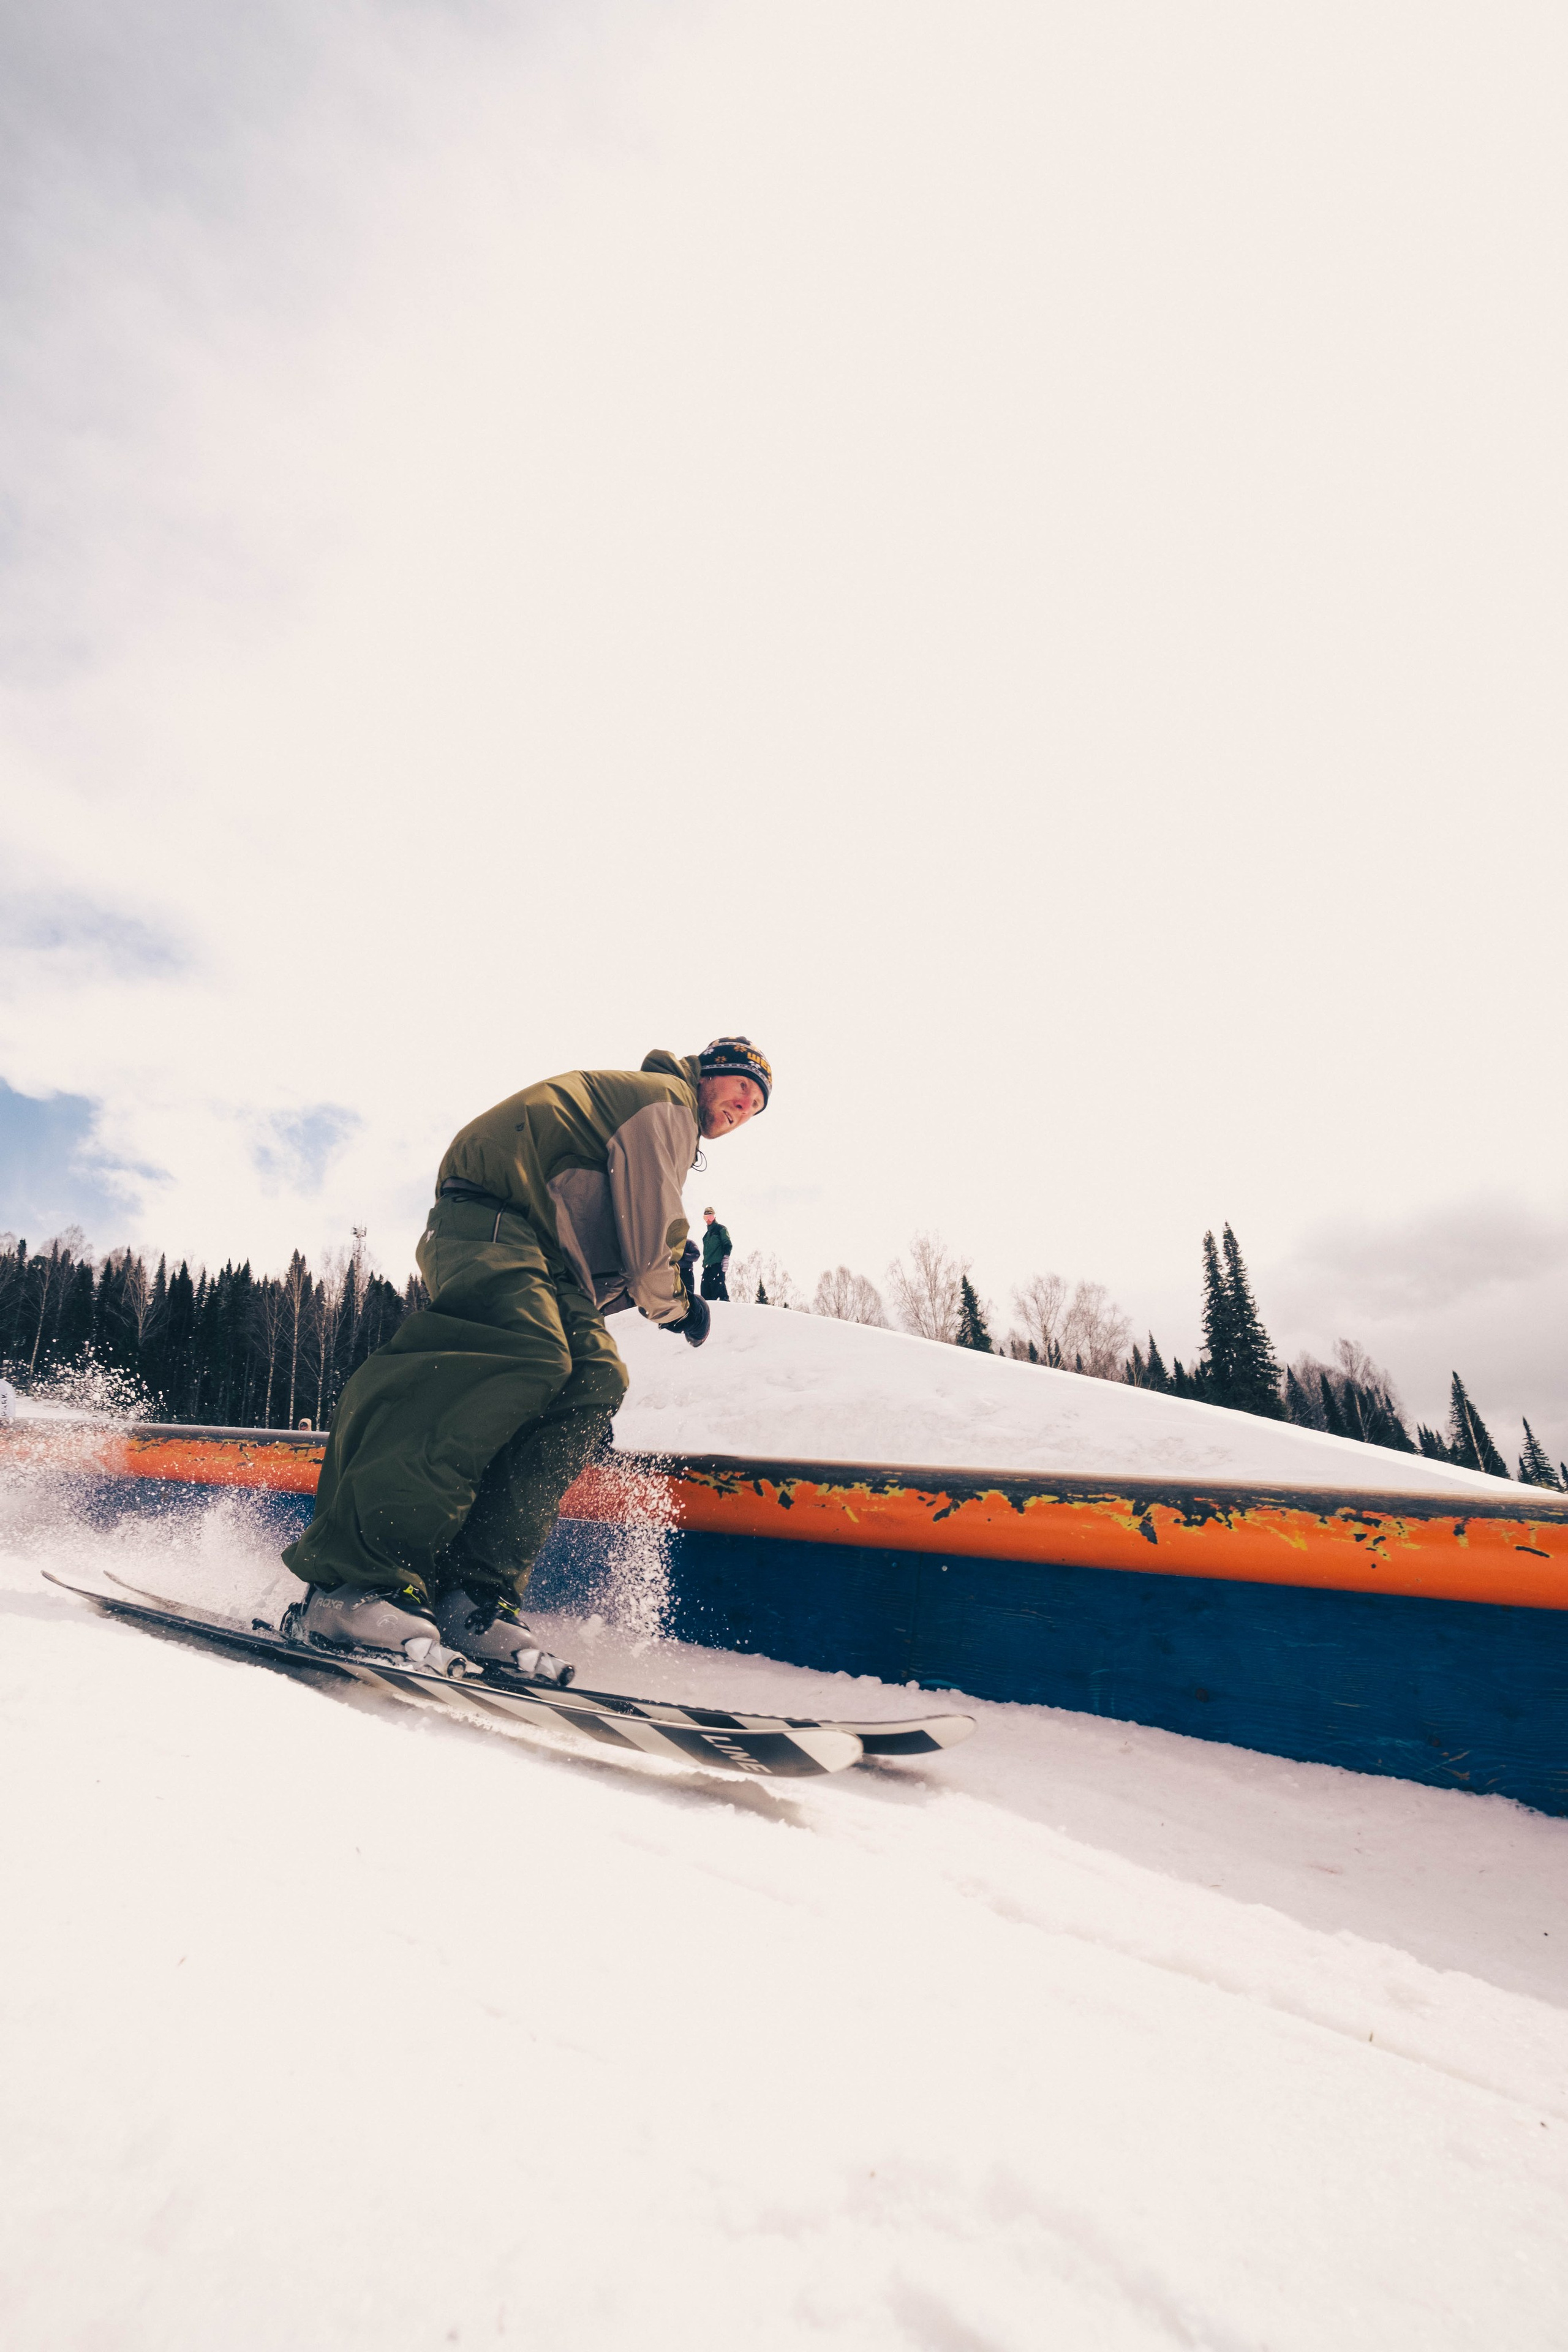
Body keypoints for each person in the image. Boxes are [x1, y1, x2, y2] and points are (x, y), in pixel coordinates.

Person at [282, 1038, 771, 1675]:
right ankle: (352, 1585)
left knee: (591, 1379)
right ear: (707, 1073)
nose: (743, 1107)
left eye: (756, 1106)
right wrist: (680, 1304)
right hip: (493, 1212)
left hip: (547, 1254)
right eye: (740, 1087)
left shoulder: (665, 1126)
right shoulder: (663, 1102)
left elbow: (607, 1252)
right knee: (519, 1350)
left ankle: (472, 1595)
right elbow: (654, 1243)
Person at [700, 1207, 733, 1302]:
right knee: (705, 1292)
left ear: (714, 1217)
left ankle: (724, 1306)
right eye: (706, 1218)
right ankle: (709, 1309)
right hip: (707, 1266)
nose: (709, 1220)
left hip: (717, 1264)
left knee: (718, 1289)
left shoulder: (721, 1229)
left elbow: (728, 1244)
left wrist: (726, 1258)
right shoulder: (706, 1236)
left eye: (711, 1217)